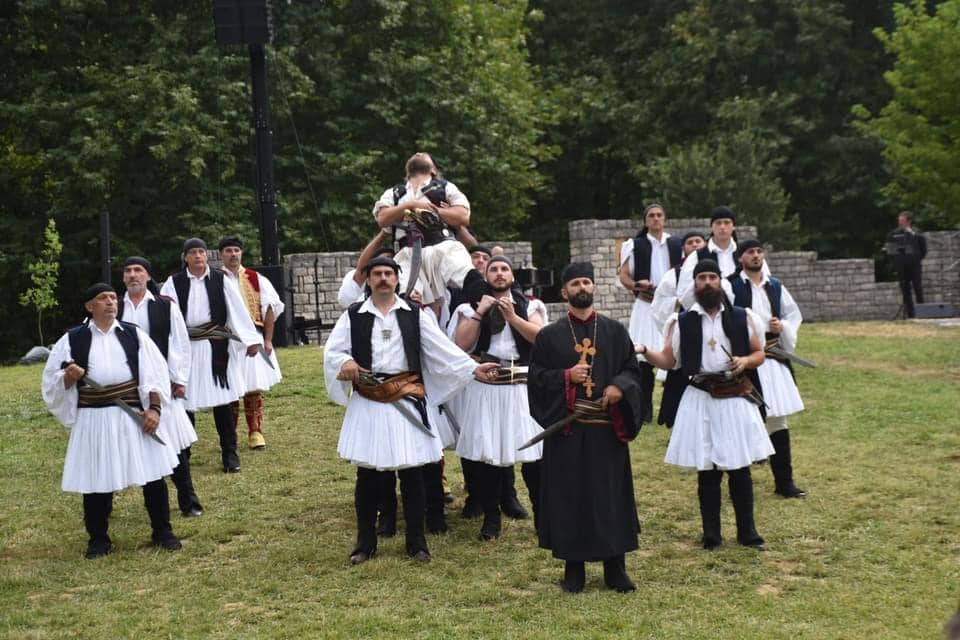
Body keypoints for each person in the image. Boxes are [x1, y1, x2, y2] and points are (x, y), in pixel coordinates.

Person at [323, 256, 498, 564]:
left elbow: (441, 349)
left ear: (397, 279)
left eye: (388, 273)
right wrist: (345, 362)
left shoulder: (415, 315)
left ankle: (416, 542)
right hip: (369, 399)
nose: (383, 278)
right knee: (368, 475)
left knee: (413, 473)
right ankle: (365, 543)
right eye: (377, 274)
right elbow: (334, 350)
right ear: (368, 280)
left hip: (407, 397)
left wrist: (472, 368)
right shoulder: (353, 315)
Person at [528, 262, 646, 593]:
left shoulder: (615, 331)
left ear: (593, 287)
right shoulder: (549, 336)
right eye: (575, 283)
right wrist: (566, 376)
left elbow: (632, 370)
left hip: (606, 431)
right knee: (571, 498)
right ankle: (574, 568)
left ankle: (615, 568)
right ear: (564, 291)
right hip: (568, 431)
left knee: (610, 498)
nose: (582, 288)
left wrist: (620, 386)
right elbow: (536, 379)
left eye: (586, 282)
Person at [640, 259, 773, 551]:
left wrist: (745, 361)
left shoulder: (742, 317)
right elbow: (669, 361)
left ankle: (748, 533)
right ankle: (711, 535)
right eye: (702, 278)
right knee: (708, 470)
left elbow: (759, 353)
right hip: (700, 397)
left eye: (713, 277)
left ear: (720, 282)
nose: (708, 282)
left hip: (734, 397)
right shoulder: (681, 321)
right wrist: (646, 351)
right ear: (695, 284)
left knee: (740, 468)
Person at [42, 284, 182, 558]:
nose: (110, 302)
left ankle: (163, 532)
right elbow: (51, 382)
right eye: (102, 298)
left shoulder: (133, 334)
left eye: (112, 298)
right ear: (89, 306)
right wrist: (69, 376)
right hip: (93, 416)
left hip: (132, 413)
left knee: (153, 475)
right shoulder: (72, 339)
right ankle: (98, 540)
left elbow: (154, 373)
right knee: (96, 478)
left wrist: (154, 409)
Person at [447, 255, 546, 539]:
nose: (499, 273)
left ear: (512, 276)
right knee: (489, 454)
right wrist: (481, 311)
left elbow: (540, 337)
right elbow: (461, 344)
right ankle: (492, 519)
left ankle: (543, 518)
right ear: (486, 276)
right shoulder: (469, 307)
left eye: (504, 269)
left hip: (521, 384)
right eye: (494, 270)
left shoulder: (530, 305)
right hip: (487, 384)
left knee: (533, 455)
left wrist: (512, 317)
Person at [160, 238, 262, 473]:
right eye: (193, 252)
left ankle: (230, 454)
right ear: (185, 257)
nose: (198, 256)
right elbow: (164, 313)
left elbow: (236, 309)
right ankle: (183, 455)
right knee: (184, 401)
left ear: (207, 255)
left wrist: (250, 339)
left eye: (201, 252)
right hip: (186, 347)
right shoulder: (174, 283)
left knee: (222, 401)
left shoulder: (220, 279)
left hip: (216, 346)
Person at [119, 256, 203, 517]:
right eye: (128, 271)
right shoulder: (114, 307)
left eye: (138, 270)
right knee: (133, 442)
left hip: (163, 385)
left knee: (174, 444)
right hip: (129, 388)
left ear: (147, 276)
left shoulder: (165, 305)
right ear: (123, 277)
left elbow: (180, 343)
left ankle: (189, 502)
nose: (133, 275)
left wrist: (180, 379)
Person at [728, 240, 807, 498]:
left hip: (773, 360)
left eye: (759, 251)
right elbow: (724, 317)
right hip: (747, 361)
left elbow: (793, 314)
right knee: (744, 420)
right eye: (750, 252)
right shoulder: (730, 285)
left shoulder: (775, 285)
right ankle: (741, 484)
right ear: (740, 258)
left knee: (778, 420)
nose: (756, 255)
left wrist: (781, 326)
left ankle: (784, 482)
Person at [372, 152, 476, 318]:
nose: (419, 153)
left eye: (424, 154)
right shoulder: (395, 192)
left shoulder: (445, 187)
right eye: (416, 154)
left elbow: (463, 216)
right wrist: (410, 205)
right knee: (406, 295)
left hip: (443, 246)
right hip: (408, 252)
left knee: (466, 273)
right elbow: (382, 219)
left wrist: (433, 211)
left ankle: (489, 307)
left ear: (433, 170)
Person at [218, 235, 284, 450]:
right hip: (226, 339)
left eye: (236, 250)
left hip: (253, 338)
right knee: (230, 389)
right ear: (221, 254)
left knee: (252, 386)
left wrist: (268, 340)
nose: (233, 254)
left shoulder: (256, 279)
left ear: (241, 253)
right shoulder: (214, 279)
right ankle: (230, 434)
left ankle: (255, 431)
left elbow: (270, 308)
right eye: (228, 250)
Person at [618, 204, 683, 422]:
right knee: (643, 360)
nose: (656, 219)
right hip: (645, 305)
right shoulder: (634, 245)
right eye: (651, 216)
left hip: (671, 307)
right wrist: (637, 285)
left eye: (659, 215)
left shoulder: (676, 244)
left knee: (674, 355)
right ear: (645, 221)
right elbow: (623, 276)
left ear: (665, 219)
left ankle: (671, 411)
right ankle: (644, 411)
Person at [649, 231, 708, 429]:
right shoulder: (674, 274)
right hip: (687, 331)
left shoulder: (717, 268)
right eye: (690, 242)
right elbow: (659, 303)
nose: (695, 245)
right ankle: (679, 428)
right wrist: (679, 301)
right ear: (683, 248)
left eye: (698, 241)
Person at [676, 206, 745, 310]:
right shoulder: (697, 257)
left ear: (733, 226)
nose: (722, 227)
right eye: (718, 223)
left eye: (727, 222)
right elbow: (684, 294)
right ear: (711, 227)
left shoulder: (745, 253)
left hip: (742, 312)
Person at [887, 211, 927, 318]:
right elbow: (890, 248)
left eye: (902, 221)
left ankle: (922, 312)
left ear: (909, 221)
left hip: (914, 265)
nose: (900, 223)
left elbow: (923, 249)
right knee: (905, 289)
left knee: (917, 287)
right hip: (901, 265)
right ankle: (910, 314)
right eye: (899, 221)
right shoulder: (895, 233)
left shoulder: (916, 232)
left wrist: (916, 258)